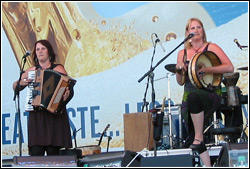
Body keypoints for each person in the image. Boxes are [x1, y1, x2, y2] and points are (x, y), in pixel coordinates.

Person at [175, 18, 234, 167]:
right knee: (193, 136)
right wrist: (179, 70)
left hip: (209, 92)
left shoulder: (211, 47)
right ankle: (208, 165)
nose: (196, 30)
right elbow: (180, 81)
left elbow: (229, 67)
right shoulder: (182, 53)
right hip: (189, 94)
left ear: (203, 30)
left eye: (199, 27)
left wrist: (208, 70)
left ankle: (199, 137)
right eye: (192, 28)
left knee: (197, 133)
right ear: (187, 33)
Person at [13, 39, 73, 156]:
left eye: (43, 48)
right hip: (37, 118)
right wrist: (21, 83)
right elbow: (15, 86)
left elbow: (68, 87)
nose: (40, 52)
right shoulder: (31, 71)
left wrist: (67, 94)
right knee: (36, 152)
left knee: (53, 154)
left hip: (54, 118)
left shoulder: (58, 69)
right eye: (37, 49)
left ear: (49, 51)